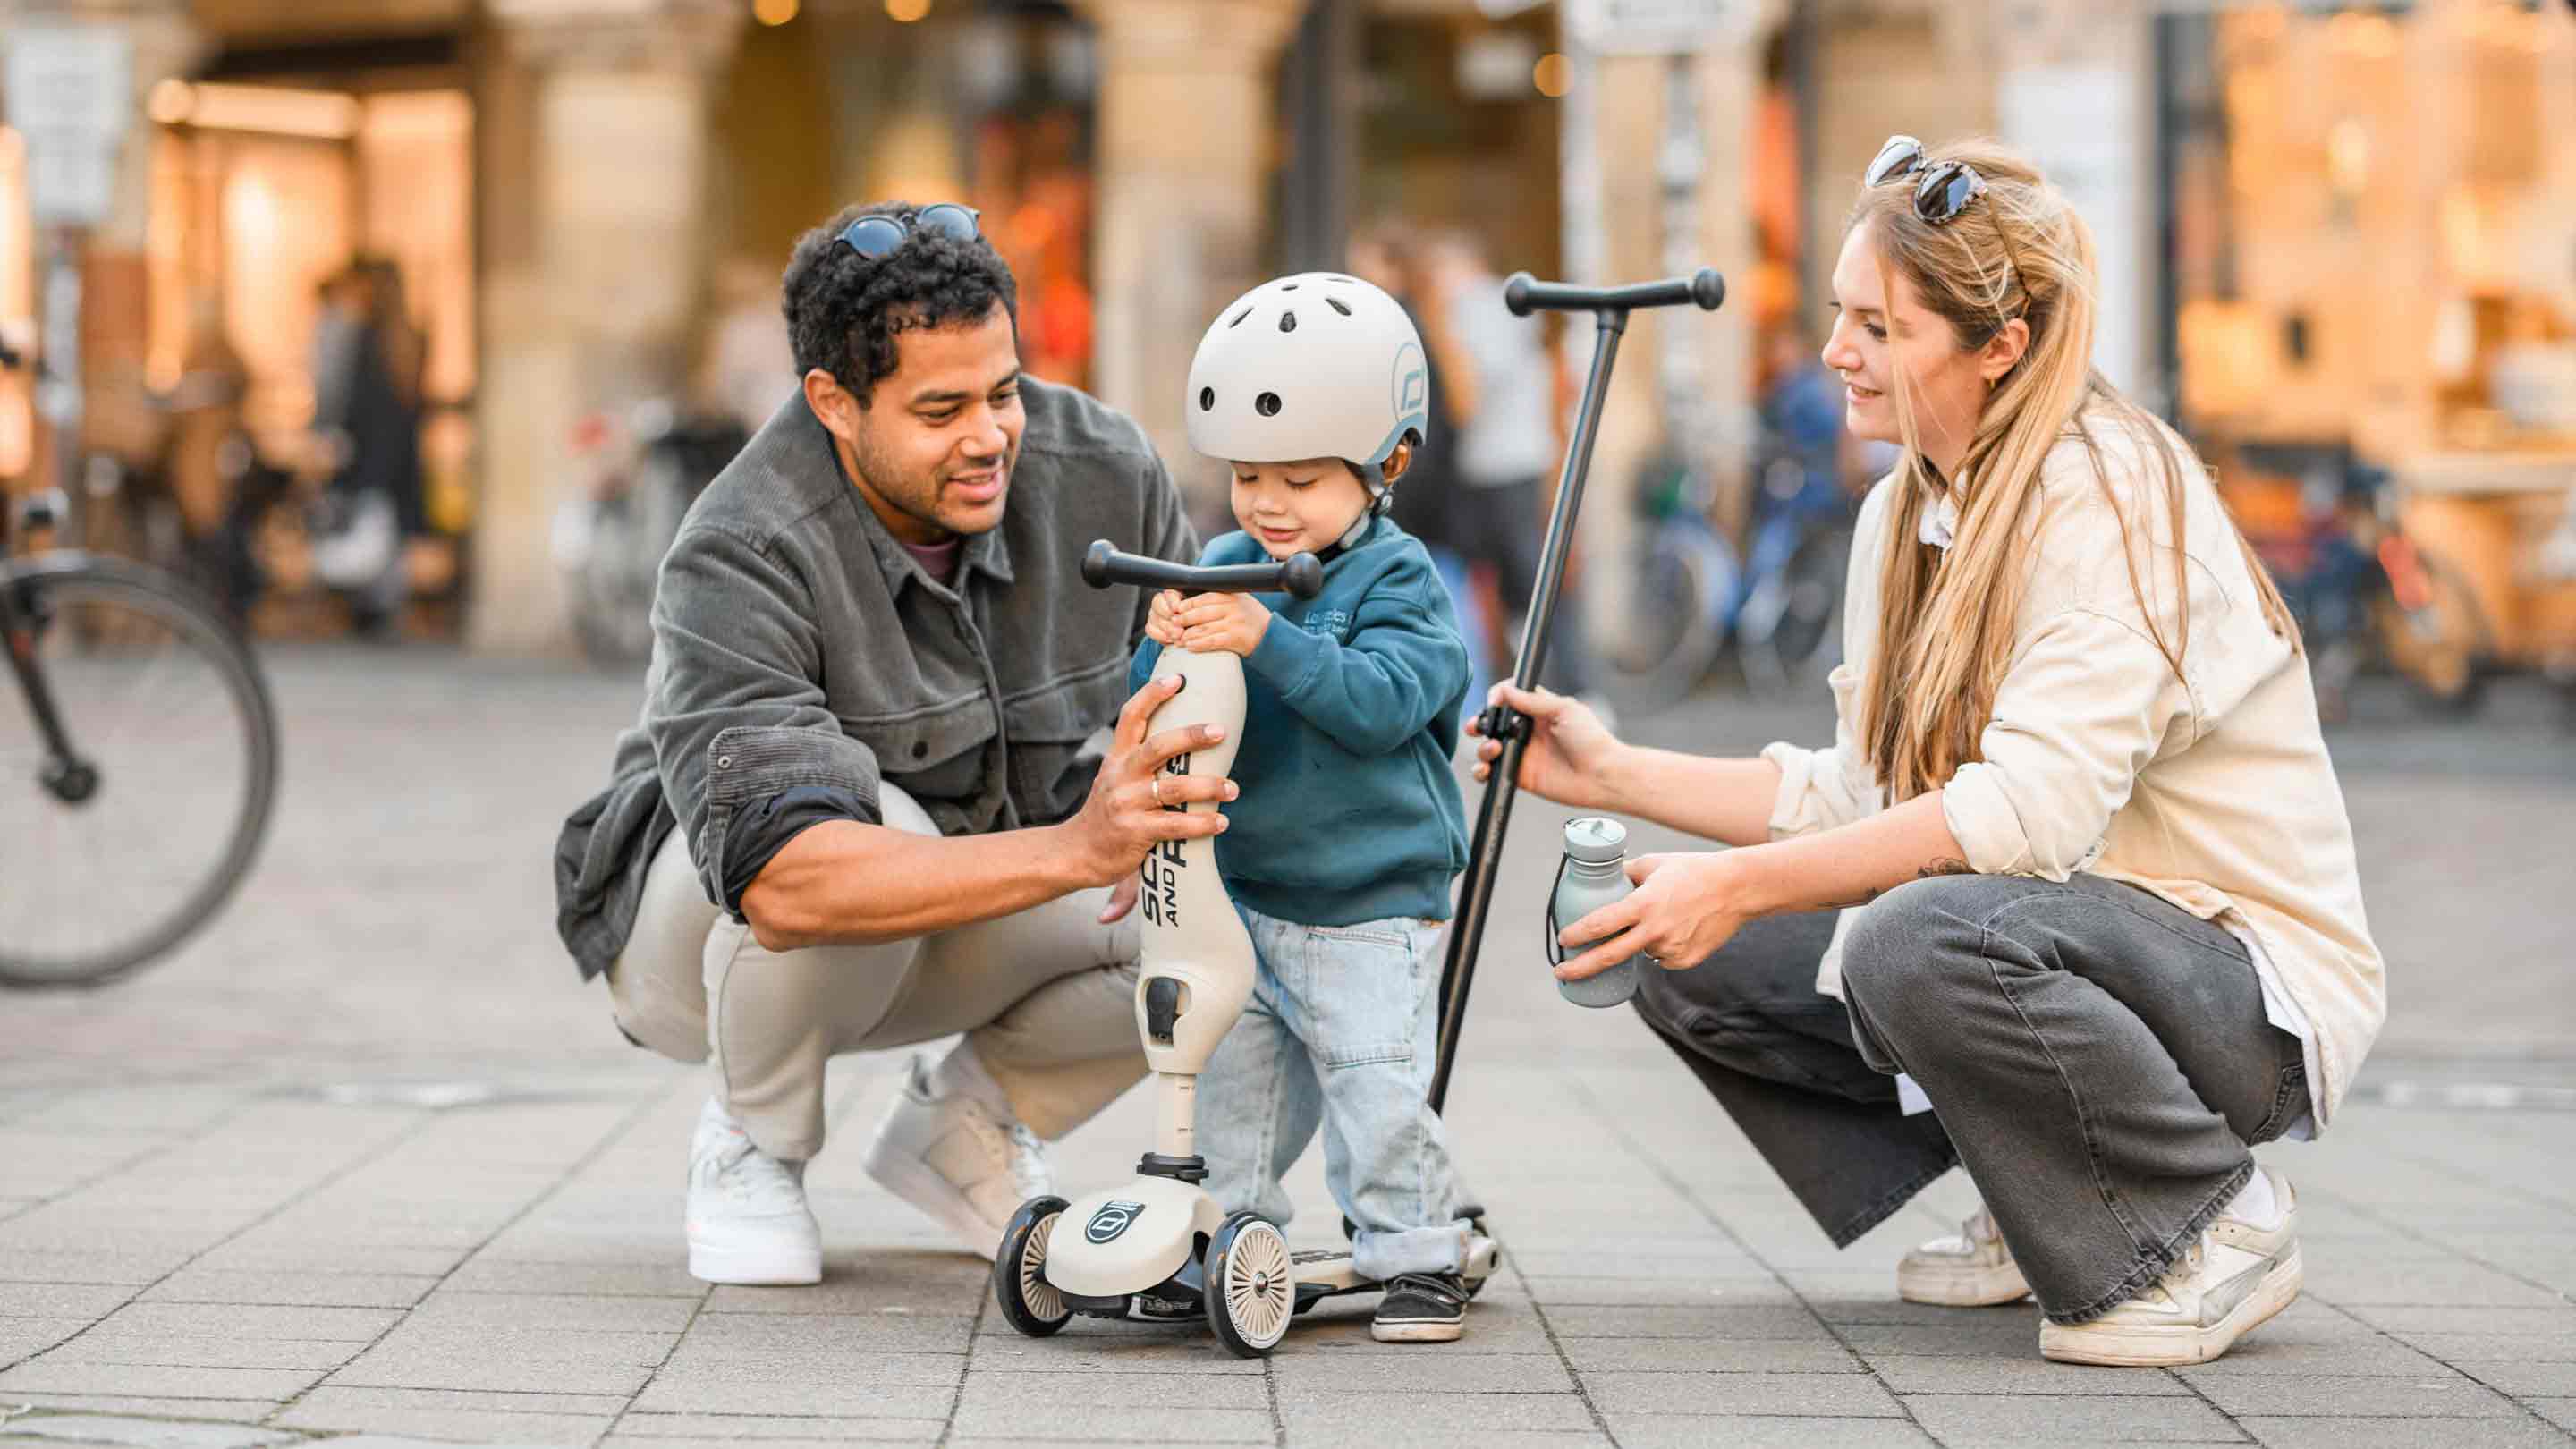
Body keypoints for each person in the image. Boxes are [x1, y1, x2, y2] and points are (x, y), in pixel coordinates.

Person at [1470, 138, 2383, 1368]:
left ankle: (2207, 1219)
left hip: (2243, 999)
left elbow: (2023, 821)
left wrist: (1734, 882)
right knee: (1687, 949)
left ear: (1999, 344)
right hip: (2073, 943)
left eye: (1880, 328)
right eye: (1840, 317)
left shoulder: (2108, 497)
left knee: (1912, 934)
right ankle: (2047, 1193)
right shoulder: (1906, 510)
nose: (1837, 353)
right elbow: (1860, 797)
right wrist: (1613, 775)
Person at [553, 201, 1209, 1286]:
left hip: (966, 902)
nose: (991, 435)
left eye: (1003, 393)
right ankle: (754, 1143)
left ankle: (963, 1133)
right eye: (941, 408)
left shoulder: (1106, 471)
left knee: (1228, 892)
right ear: (834, 404)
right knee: (861, 822)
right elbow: (789, 889)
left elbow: (1202, 712)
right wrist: (1079, 852)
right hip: (709, 949)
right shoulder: (739, 546)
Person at [1131, 272, 1480, 1343]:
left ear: (1387, 466)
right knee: (1236, 1092)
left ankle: (1417, 1254)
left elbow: (1381, 705)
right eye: (1246, 475)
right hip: (1246, 896)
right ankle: (1227, 1239)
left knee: (1374, 1089)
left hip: (1368, 902)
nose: (1267, 502)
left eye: (1299, 478)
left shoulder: (1400, 582)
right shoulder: (1229, 564)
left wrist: (1265, 638)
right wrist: (1163, 640)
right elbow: (1160, 718)